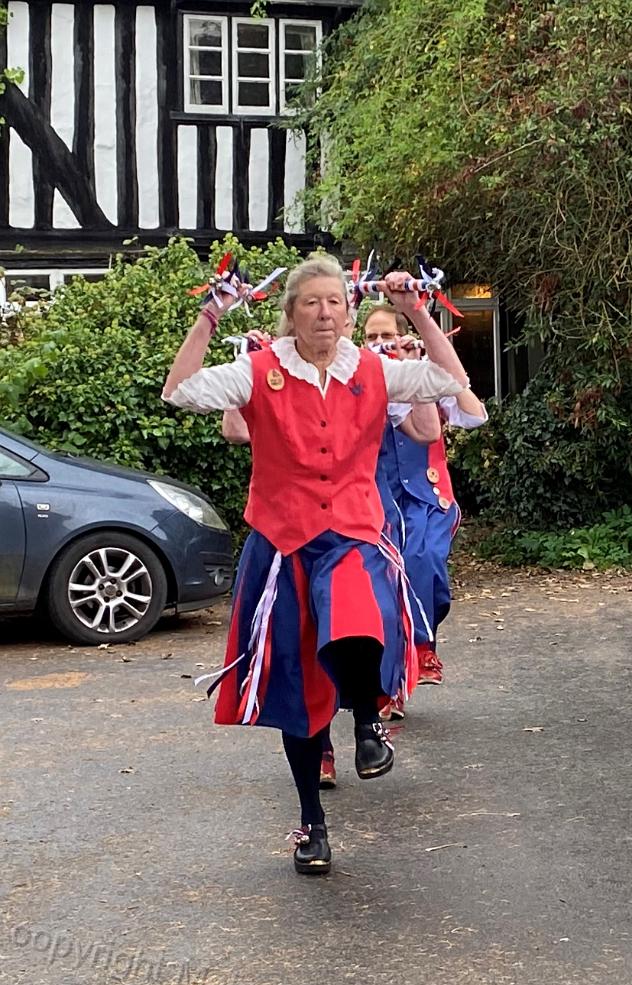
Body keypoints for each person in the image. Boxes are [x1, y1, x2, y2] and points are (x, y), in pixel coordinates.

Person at [163, 254, 466, 876]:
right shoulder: (260, 372)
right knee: (297, 689)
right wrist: (209, 315)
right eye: (311, 303)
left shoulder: (377, 371)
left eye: (334, 302)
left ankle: (364, 723)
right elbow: (180, 391)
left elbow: (450, 380)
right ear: (291, 313)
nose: (324, 313)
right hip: (283, 545)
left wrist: (417, 312)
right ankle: (312, 820)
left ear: (349, 311)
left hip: (353, 533)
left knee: (358, 614)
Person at [365, 302, 488, 686]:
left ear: (403, 338)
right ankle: (387, 677)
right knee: (380, 583)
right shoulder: (360, 380)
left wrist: (421, 367)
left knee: (424, 557)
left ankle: (422, 646)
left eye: (387, 336)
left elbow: (473, 414)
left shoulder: (425, 376)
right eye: (371, 337)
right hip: (377, 501)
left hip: (428, 498)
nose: (380, 344)